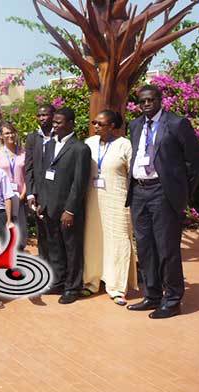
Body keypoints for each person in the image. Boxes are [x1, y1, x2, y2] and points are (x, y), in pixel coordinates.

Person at [126, 85, 199, 318]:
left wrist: (181, 191)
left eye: (151, 100)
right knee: (146, 247)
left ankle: (172, 300)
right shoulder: (136, 125)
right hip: (139, 192)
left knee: (167, 248)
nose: (146, 104)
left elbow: (195, 161)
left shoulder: (177, 123)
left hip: (163, 192)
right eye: (142, 101)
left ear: (160, 100)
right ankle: (152, 295)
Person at [33, 107, 91, 304]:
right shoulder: (49, 145)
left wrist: (70, 209)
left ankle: (72, 287)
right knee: (55, 247)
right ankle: (58, 281)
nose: (55, 125)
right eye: (54, 122)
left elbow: (79, 183)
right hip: (49, 207)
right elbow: (43, 174)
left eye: (59, 122)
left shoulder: (80, 149)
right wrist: (41, 201)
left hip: (68, 210)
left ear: (71, 124)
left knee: (72, 249)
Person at [82, 110, 137, 306]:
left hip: (117, 200)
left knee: (119, 241)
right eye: (94, 122)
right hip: (92, 200)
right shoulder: (89, 144)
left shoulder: (125, 145)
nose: (95, 126)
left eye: (100, 123)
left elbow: (134, 175)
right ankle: (92, 282)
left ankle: (117, 287)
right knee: (93, 240)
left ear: (112, 126)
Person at [25, 104, 55, 262]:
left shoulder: (59, 136)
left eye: (45, 115)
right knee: (42, 233)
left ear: (53, 116)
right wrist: (30, 193)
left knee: (55, 234)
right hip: (39, 194)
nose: (42, 118)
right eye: (39, 115)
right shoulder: (32, 138)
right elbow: (29, 168)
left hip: (56, 193)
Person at [0, 122, 27, 250]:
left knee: (20, 232)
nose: (10, 135)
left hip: (20, 197)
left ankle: (21, 263)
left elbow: (27, 175)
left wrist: (23, 194)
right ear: (1, 136)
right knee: (6, 233)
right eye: (7, 133)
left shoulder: (23, 152)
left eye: (12, 132)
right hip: (3, 199)